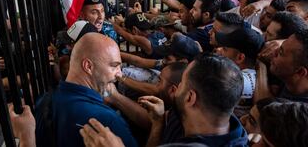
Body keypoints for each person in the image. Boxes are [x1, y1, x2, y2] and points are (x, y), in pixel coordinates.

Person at [82, 54, 248, 147]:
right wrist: (158, 123)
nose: (177, 89)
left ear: (190, 97)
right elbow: (153, 120)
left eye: (182, 82)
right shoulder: (222, 122)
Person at [35, 33, 137, 147]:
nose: (120, 74)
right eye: (114, 66)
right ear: (88, 66)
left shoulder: (43, 100)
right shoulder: (107, 121)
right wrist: (157, 127)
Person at [215, 27, 264, 117]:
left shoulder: (242, 82)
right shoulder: (250, 75)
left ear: (240, 58)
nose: (219, 50)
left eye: (225, 49)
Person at [270, 29, 308, 102]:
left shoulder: (298, 110)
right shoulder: (286, 71)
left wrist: (261, 68)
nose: (274, 52)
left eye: (280, 52)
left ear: (300, 72)